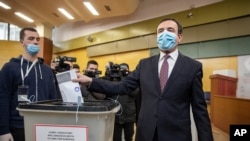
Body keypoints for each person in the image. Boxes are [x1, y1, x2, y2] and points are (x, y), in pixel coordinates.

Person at [72, 18, 213, 141]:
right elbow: (121, 87)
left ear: (179, 37)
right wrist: (91, 81)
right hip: (146, 133)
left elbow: (199, 109)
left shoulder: (192, 67)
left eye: (170, 30)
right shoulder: (144, 64)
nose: (164, 34)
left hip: (176, 134)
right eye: (160, 31)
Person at [0, 27, 57, 141]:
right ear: (22, 42)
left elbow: (53, 100)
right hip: (17, 127)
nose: (35, 41)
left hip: (43, 126)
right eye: (30, 38)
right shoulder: (10, 68)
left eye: (37, 39)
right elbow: (2, 99)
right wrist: (3, 130)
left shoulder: (47, 71)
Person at [112, 63, 137, 141]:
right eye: (121, 69)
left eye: (125, 69)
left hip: (129, 115)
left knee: (129, 137)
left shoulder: (132, 80)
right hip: (116, 116)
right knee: (116, 138)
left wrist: (126, 79)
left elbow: (134, 93)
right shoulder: (114, 79)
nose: (123, 71)